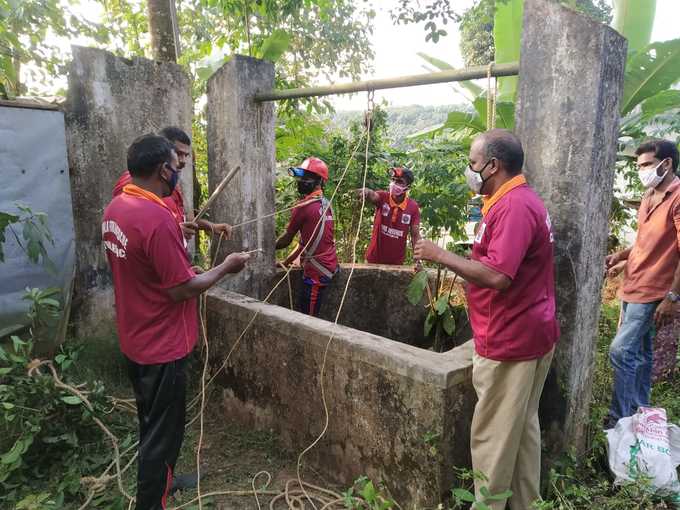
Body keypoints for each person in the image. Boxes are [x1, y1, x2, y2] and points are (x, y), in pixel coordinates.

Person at [102, 134, 250, 509]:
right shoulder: (156, 218)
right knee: (162, 435)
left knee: (152, 425)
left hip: (135, 339)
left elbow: (147, 272)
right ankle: (152, 502)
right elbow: (182, 289)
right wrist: (224, 268)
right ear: (159, 170)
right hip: (162, 346)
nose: (178, 170)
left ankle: (163, 481)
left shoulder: (116, 208)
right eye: (174, 163)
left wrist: (183, 270)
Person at [414, 129, 559, 510]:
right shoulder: (517, 200)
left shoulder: (513, 207)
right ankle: (528, 503)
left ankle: (488, 505)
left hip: (510, 338)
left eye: (472, 163)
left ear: (493, 166)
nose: (470, 169)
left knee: (492, 436)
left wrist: (440, 254)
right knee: (521, 429)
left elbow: (498, 276)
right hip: (532, 331)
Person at [604, 139, 680, 427]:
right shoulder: (649, 195)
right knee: (640, 354)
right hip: (633, 284)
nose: (642, 171)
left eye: (647, 165)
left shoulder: (677, 197)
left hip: (654, 290)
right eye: (639, 166)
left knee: (620, 351)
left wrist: (672, 297)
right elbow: (644, 242)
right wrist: (622, 257)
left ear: (667, 163)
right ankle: (638, 412)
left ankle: (619, 416)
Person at [112, 126, 232, 241]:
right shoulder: (135, 183)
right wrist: (172, 233)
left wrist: (211, 226)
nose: (183, 161)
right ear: (163, 149)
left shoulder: (169, 183)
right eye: (178, 153)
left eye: (186, 155)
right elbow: (126, 228)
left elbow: (182, 219)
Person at [275, 157, 338, 317]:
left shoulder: (303, 207)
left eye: (306, 178)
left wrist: (266, 246)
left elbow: (286, 239)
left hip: (316, 274)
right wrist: (286, 262)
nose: (302, 181)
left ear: (319, 181)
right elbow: (306, 242)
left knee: (308, 320)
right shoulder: (326, 204)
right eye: (302, 177)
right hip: (329, 265)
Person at [358, 167, 421, 265]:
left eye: (399, 181)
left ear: (408, 187)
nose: (394, 184)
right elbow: (373, 196)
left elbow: (415, 235)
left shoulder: (413, 207)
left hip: (396, 264)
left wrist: (418, 260)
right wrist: (366, 192)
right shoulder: (383, 197)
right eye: (393, 180)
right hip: (373, 260)